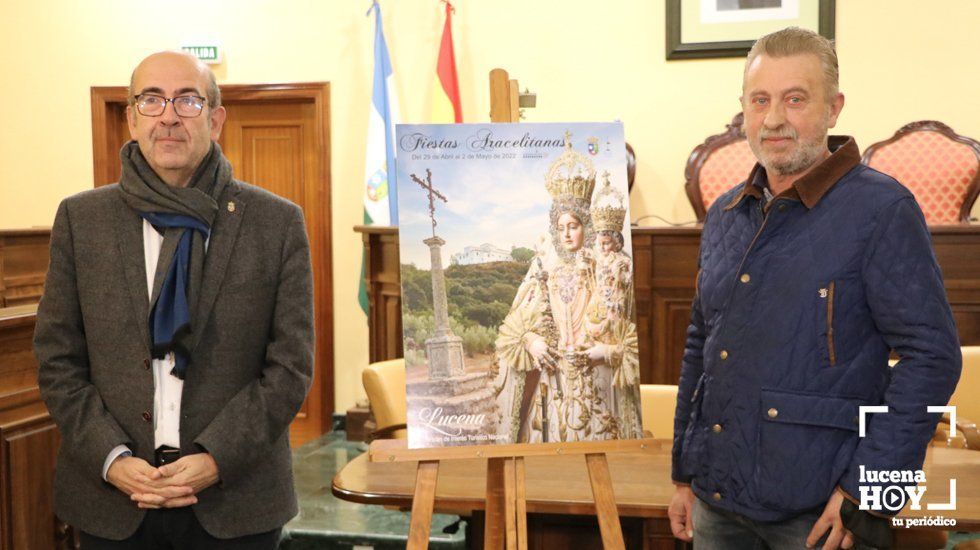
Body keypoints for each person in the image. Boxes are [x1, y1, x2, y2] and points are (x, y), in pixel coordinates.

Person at [667, 27, 961, 550]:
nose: (774, 118)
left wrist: (869, 494)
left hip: (823, 516)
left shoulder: (882, 211)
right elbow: (700, 344)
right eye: (760, 100)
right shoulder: (725, 214)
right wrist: (684, 474)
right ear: (744, 109)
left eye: (794, 99)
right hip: (717, 502)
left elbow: (932, 357)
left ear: (833, 108)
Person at [34, 51, 314, 548]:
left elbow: (290, 366)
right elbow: (58, 361)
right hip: (113, 501)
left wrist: (217, 458)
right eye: (151, 99)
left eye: (187, 99)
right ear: (131, 117)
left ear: (215, 117)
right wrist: (112, 459)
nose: (168, 115)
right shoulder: (82, 220)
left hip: (236, 501)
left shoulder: (276, 222)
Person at [494, 138, 640, 443]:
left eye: (573, 225)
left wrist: (606, 352)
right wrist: (533, 342)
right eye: (561, 228)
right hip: (554, 384)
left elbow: (629, 335)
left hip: (599, 385)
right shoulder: (542, 268)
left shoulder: (611, 267)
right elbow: (516, 327)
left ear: (586, 225)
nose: (567, 233)